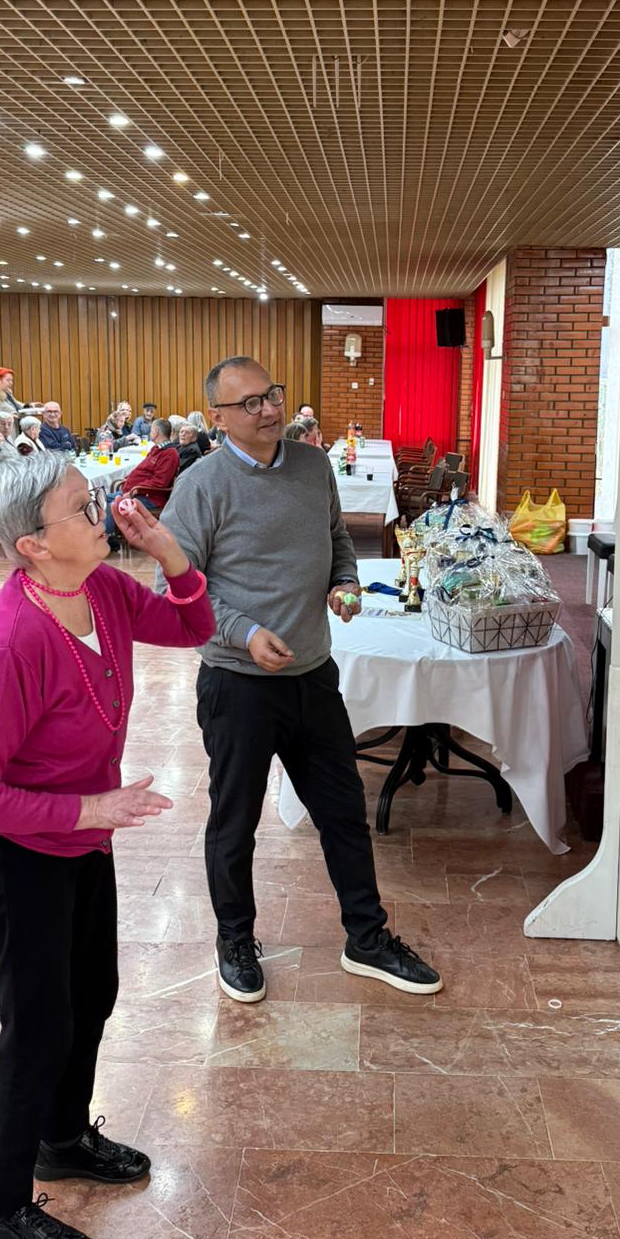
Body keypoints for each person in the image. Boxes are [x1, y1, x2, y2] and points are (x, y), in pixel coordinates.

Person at [0, 453, 214, 1239]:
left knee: (92, 993)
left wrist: (167, 552)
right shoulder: (14, 639)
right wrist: (93, 808)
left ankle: (61, 1139)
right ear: (33, 544)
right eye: (82, 508)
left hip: (81, 836)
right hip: (15, 849)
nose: (103, 515)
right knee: (38, 1027)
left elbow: (191, 628)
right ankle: (0, 1214)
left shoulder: (102, 590)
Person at [160, 356, 442, 1004]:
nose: (268, 409)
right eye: (249, 402)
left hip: (313, 676)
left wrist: (344, 581)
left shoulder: (314, 465)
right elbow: (175, 589)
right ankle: (235, 940)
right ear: (218, 417)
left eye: (272, 394)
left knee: (343, 814)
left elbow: (336, 537)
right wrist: (244, 633)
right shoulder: (201, 485)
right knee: (235, 823)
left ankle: (366, 938)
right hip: (238, 685)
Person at [104, 420, 179, 551]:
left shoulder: (170, 453)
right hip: (136, 492)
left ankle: (108, 540)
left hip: (150, 497)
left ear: (157, 432)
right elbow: (142, 469)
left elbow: (160, 482)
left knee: (113, 505)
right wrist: (129, 481)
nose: (150, 432)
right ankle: (101, 535)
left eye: (152, 430)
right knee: (103, 499)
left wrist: (135, 490)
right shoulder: (156, 449)